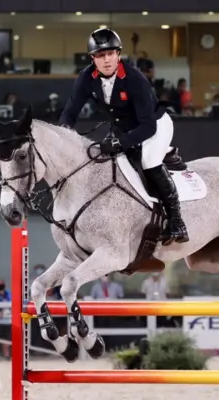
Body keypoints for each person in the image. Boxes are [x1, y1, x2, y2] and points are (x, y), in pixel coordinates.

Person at [58, 27, 189, 246]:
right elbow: (71, 112)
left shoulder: (134, 78)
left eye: (111, 54)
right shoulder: (86, 78)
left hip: (155, 125)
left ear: (118, 54)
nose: (106, 60)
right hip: (124, 127)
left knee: (149, 162)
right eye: (100, 55)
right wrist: (61, 137)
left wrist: (123, 142)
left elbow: (148, 127)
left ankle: (177, 222)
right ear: (93, 59)